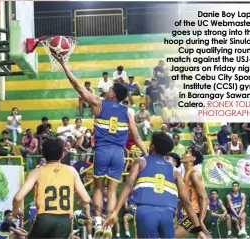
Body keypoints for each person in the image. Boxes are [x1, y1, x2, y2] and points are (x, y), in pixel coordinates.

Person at [56, 56, 148, 237]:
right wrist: (147, 155)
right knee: (112, 190)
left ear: (113, 94)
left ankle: (98, 223)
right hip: (118, 155)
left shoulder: (99, 103)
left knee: (98, 188)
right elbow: (136, 136)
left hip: (102, 151)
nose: (108, 90)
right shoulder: (127, 112)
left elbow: (78, 87)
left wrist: (65, 66)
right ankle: (108, 226)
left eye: (111, 88)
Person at [104, 132, 208, 239]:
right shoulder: (175, 171)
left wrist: (115, 212)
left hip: (146, 211)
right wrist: (198, 228)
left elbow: (128, 185)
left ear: (152, 146)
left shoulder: (141, 162)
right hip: (168, 213)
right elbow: (186, 201)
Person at [12, 138, 91, 239]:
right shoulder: (72, 171)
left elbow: (17, 198)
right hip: (65, 220)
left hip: (44, 218)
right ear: (62, 154)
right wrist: (80, 203)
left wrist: (15, 211)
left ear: (43, 155)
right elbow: (86, 199)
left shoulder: (37, 172)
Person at [175, 147, 210, 238]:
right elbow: (184, 198)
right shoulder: (185, 174)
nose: (182, 154)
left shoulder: (194, 174)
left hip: (198, 213)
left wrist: (201, 220)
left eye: (186, 152)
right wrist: (177, 211)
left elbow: (204, 197)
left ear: (193, 158)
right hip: (191, 213)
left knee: (172, 236)